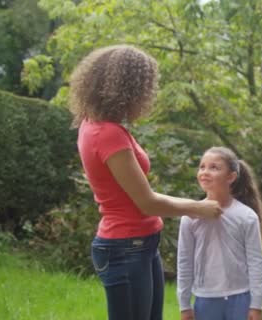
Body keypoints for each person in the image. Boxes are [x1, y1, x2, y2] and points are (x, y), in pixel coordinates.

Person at [70, 45, 222, 320]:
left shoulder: (95, 125)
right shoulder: (107, 134)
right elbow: (147, 202)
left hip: (140, 244)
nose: (146, 97)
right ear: (125, 88)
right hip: (126, 248)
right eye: (144, 89)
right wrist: (200, 207)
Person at [177, 146, 262, 320]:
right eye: (202, 167)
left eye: (214, 167)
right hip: (205, 298)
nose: (205, 172)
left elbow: (256, 262)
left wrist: (256, 305)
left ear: (231, 177)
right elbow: (184, 262)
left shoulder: (246, 216)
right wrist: (184, 304)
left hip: (241, 298)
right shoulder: (190, 218)